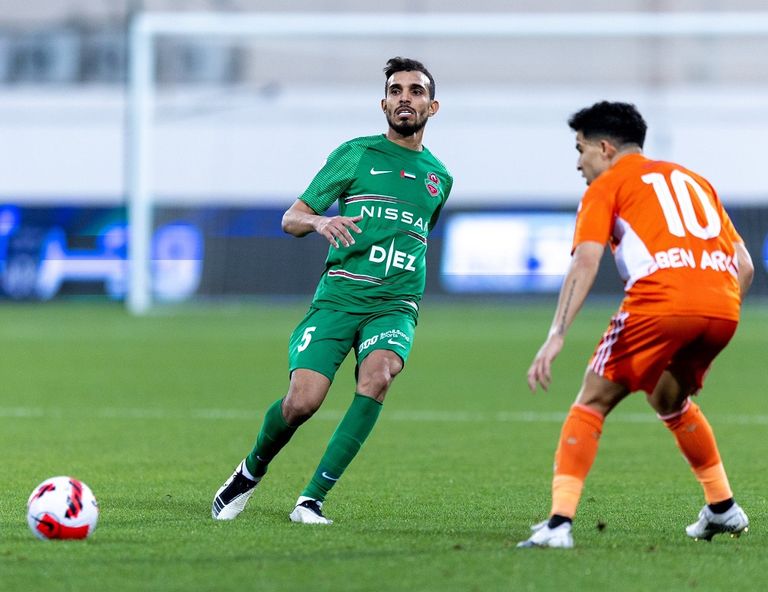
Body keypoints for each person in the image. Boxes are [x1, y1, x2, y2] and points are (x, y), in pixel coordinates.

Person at [212, 57, 452, 524]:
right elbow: (291, 217)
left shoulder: (438, 178)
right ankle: (250, 470)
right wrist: (321, 220)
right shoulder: (355, 154)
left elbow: (418, 235)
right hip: (339, 298)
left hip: (395, 304)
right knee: (302, 401)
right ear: (383, 103)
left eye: (416, 91)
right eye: (397, 90)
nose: (406, 98)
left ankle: (311, 500)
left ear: (433, 105)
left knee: (378, 378)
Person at [517, 101, 754, 549]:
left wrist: (556, 335)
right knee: (669, 397)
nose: (578, 163)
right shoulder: (694, 180)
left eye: (580, 149)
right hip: (723, 308)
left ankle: (558, 524)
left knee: (591, 401)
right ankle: (722, 508)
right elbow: (743, 265)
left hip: (661, 303)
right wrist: (704, 314)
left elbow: (585, 262)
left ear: (605, 148)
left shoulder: (608, 186)